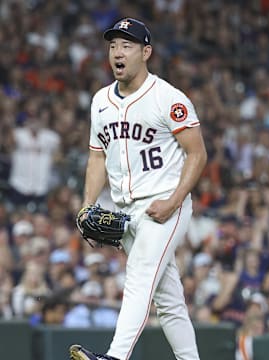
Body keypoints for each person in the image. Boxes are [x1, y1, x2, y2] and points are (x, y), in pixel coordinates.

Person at [69, 17, 207, 360]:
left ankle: (115, 357)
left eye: (126, 45)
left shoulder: (167, 98)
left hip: (165, 204)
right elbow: (97, 157)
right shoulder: (101, 100)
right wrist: (87, 204)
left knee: (140, 276)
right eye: (113, 45)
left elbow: (198, 153)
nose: (118, 52)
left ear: (146, 52)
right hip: (127, 210)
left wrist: (174, 201)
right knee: (168, 299)